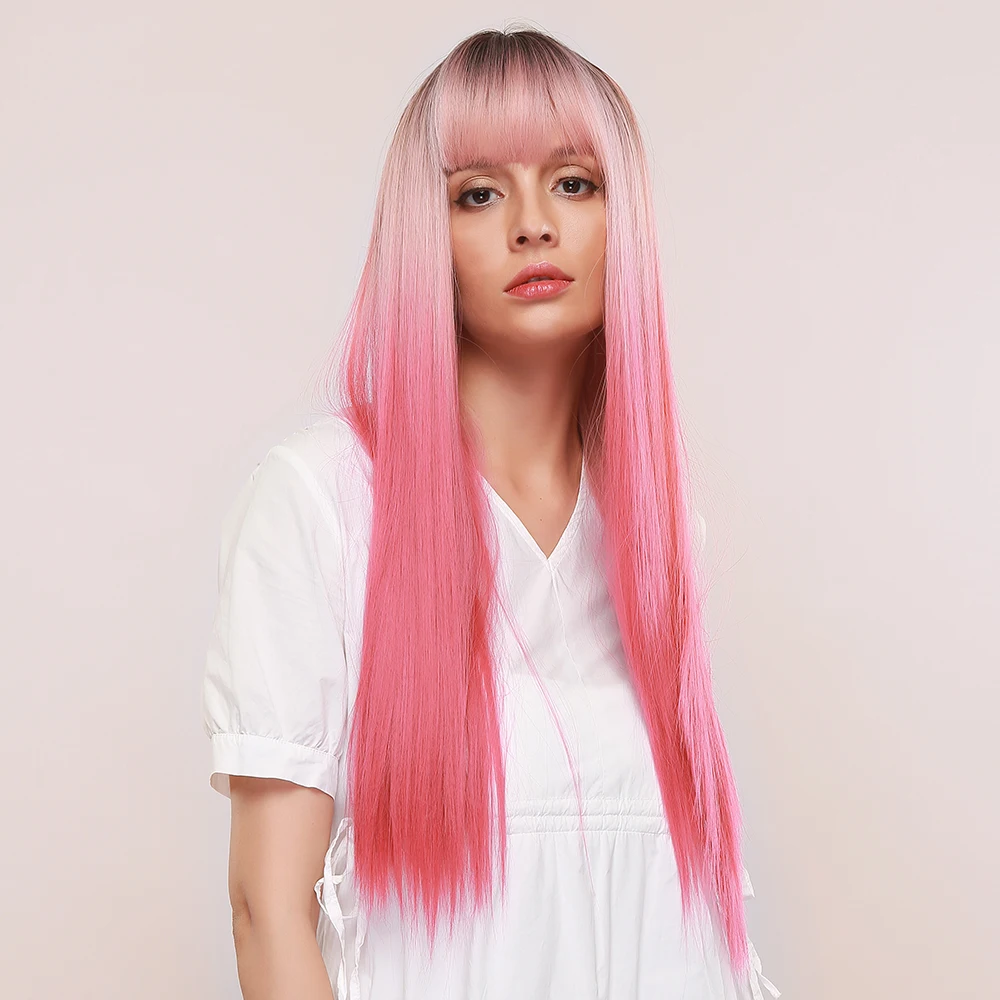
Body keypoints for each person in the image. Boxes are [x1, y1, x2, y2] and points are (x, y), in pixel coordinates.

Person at [201, 26, 781, 1000]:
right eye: (478, 193)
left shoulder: (654, 525)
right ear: (425, 238)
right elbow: (267, 910)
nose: (532, 225)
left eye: (573, 183)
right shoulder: (321, 499)